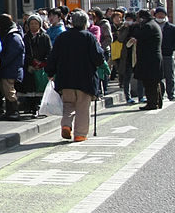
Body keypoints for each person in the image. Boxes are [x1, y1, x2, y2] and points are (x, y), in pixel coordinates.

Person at [46, 9, 105, 142]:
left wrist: (50, 72)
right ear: (85, 23)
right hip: (85, 79)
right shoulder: (89, 37)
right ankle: (80, 134)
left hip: (65, 78)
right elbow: (98, 58)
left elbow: (53, 57)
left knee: (68, 105)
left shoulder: (62, 37)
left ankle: (66, 125)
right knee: (83, 107)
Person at [127, 9, 163, 110]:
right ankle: (157, 102)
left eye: (138, 18)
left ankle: (152, 103)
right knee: (154, 82)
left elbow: (138, 34)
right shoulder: (153, 24)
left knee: (150, 83)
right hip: (152, 58)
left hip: (149, 60)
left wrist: (135, 25)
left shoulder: (148, 26)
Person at [0, 13, 25, 121]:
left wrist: (0, 62)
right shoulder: (11, 34)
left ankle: (14, 111)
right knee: (7, 91)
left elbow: (11, 54)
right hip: (9, 68)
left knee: (9, 91)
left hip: (10, 69)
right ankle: (10, 111)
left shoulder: (13, 36)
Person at [115, 11, 142, 103]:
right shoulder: (123, 28)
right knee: (127, 77)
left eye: (130, 19)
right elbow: (120, 39)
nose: (128, 21)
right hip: (126, 57)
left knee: (139, 77)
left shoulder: (139, 27)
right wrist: (126, 29)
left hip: (137, 55)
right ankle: (128, 97)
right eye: (126, 19)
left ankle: (141, 96)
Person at [22, 13, 51, 95]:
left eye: (36, 23)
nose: (33, 26)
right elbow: (24, 53)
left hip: (43, 67)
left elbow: (49, 51)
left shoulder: (45, 37)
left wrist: (42, 63)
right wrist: (32, 62)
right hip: (29, 66)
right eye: (31, 23)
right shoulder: (25, 38)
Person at [156, 7, 175, 101]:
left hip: (167, 54)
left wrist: (171, 48)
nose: (160, 16)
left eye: (162, 14)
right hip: (156, 55)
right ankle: (161, 94)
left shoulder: (171, 28)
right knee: (158, 76)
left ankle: (171, 94)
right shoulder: (153, 26)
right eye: (158, 14)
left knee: (169, 75)